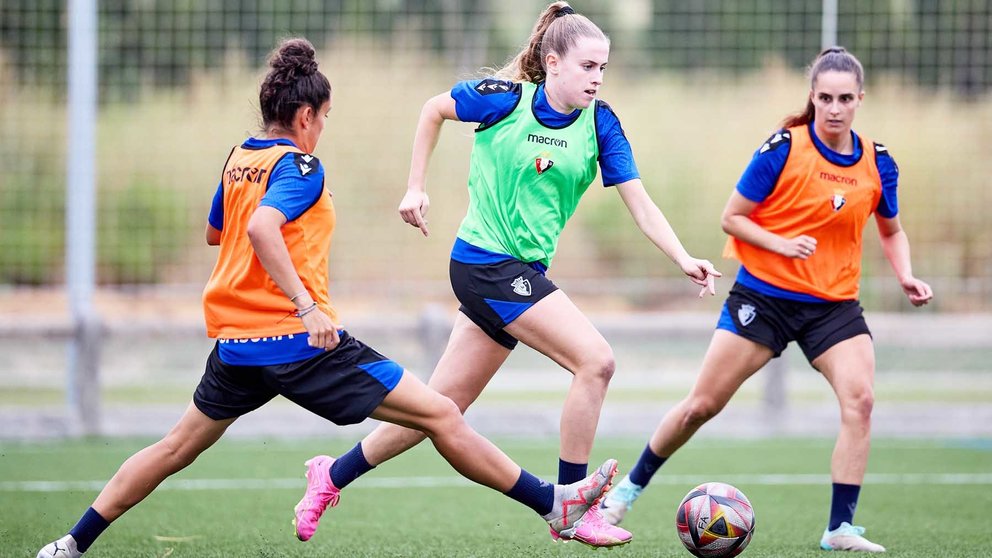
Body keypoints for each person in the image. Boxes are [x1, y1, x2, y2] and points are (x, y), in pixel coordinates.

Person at [35, 37, 624, 558]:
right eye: (325, 117)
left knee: (173, 448)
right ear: (305, 115)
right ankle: (553, 504)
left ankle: (71, 542)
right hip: (302, 342)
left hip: (236, 344)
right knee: (443, 414)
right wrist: (306, 304)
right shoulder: (303, 165)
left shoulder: (240, 158)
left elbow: (220, 231)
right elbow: (264, 228)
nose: (324, 128)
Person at [295, 1, 720, 549]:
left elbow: (640, 203)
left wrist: (683, 257)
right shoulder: (504, 100)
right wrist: (415, 186)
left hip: (517, 274)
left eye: (603, 68)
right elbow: (432, 109)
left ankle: (331, 476)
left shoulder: (601, 123)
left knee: (439, 409)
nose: (597, 78)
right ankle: (570, 503)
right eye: (588, 66)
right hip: (484, 264)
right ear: (554, 62)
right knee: (596, 361)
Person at [598, 47, 934, 553]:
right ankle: (624, 494)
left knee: (860, 402)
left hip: (832, 306)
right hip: (765, 296)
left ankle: (839, 529)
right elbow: (732, 217)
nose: (835, 108)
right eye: (825, 98)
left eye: (845, 98)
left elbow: (892, 229)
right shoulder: (783, 148)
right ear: (812, 98)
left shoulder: (878, 163)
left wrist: (905, 273)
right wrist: (782, 245)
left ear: (861, 99)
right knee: (701, 407)